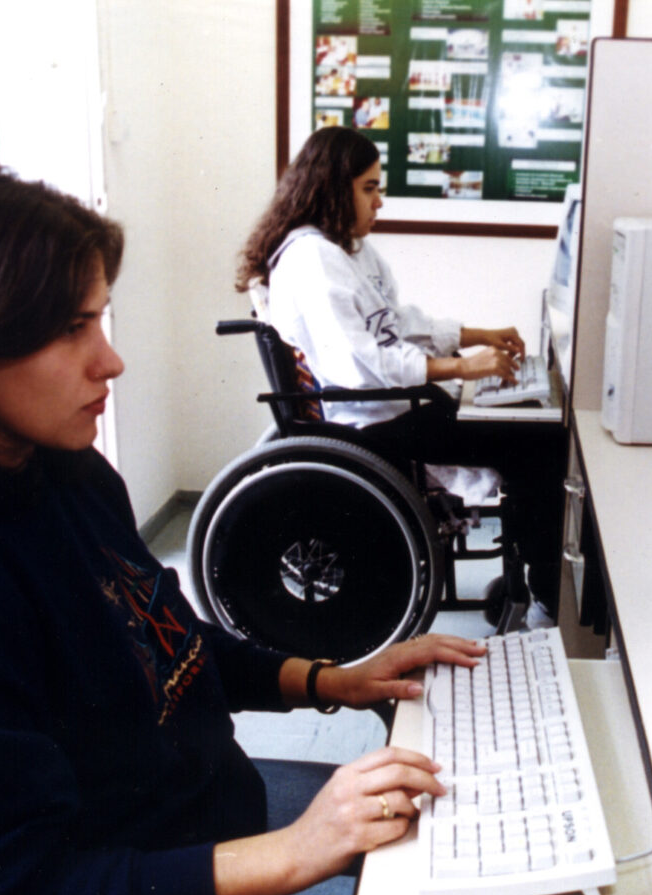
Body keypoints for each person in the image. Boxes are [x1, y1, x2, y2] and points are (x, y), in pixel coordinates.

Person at [0, 165, 648, 895]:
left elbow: (160, 640)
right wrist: (296, 852)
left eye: (101, 320)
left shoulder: (57, 473)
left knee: (497, 858)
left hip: (192, 825)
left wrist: (333, 679)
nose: (111, 360)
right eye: (70, 330)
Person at [237, 126, 565, 615]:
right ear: (332, 187)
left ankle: (527, 581)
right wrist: (462, 368)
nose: (379, 202)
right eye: (369, 189)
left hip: (390, 408)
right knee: (540, 442)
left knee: (526, 431)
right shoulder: (312, 260)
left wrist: (477, 335)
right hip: (370, 422)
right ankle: (544, 596)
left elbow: (397, 324)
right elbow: (361, 364)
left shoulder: (345, 249)